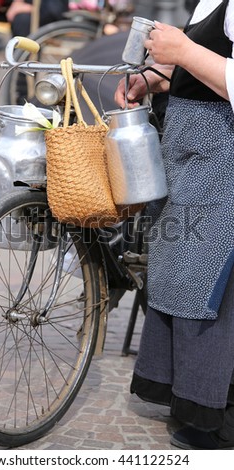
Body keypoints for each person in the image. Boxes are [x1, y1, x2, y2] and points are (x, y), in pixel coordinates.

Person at [114, 0, 234, 450]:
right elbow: (207, 73)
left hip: (224, 160)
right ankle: (184, 396)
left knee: (209, 286)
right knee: (176, 275)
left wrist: (182, 50)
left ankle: (217, 413)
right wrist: (151, 79)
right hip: (192, 154)